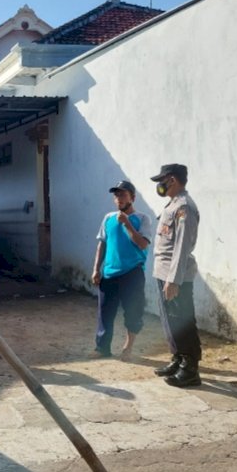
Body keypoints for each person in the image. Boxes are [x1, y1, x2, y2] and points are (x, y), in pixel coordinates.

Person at [150, 163, 202, 388]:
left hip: (175, 275)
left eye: (161, 181)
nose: (159, 186)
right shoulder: (172, 204)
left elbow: (181, 247)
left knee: (183, 320)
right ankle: (179, 359)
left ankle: (190, 369)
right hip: (163, 271)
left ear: (171, 180)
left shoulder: (184, 207)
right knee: (170, 320)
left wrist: (173, 280)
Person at [90, 181, 151, 361]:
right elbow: (102, 244)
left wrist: (127, 224)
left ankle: (128, 348)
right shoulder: (108, 218)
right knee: (105, 312)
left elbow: (142, 244)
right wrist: (96, 269)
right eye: (116, 195)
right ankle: (102, 348)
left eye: (123, 195)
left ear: (132, 197)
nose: (119, 199)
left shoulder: (142, 218)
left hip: (132, 272)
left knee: (133, 311)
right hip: (109, 273)